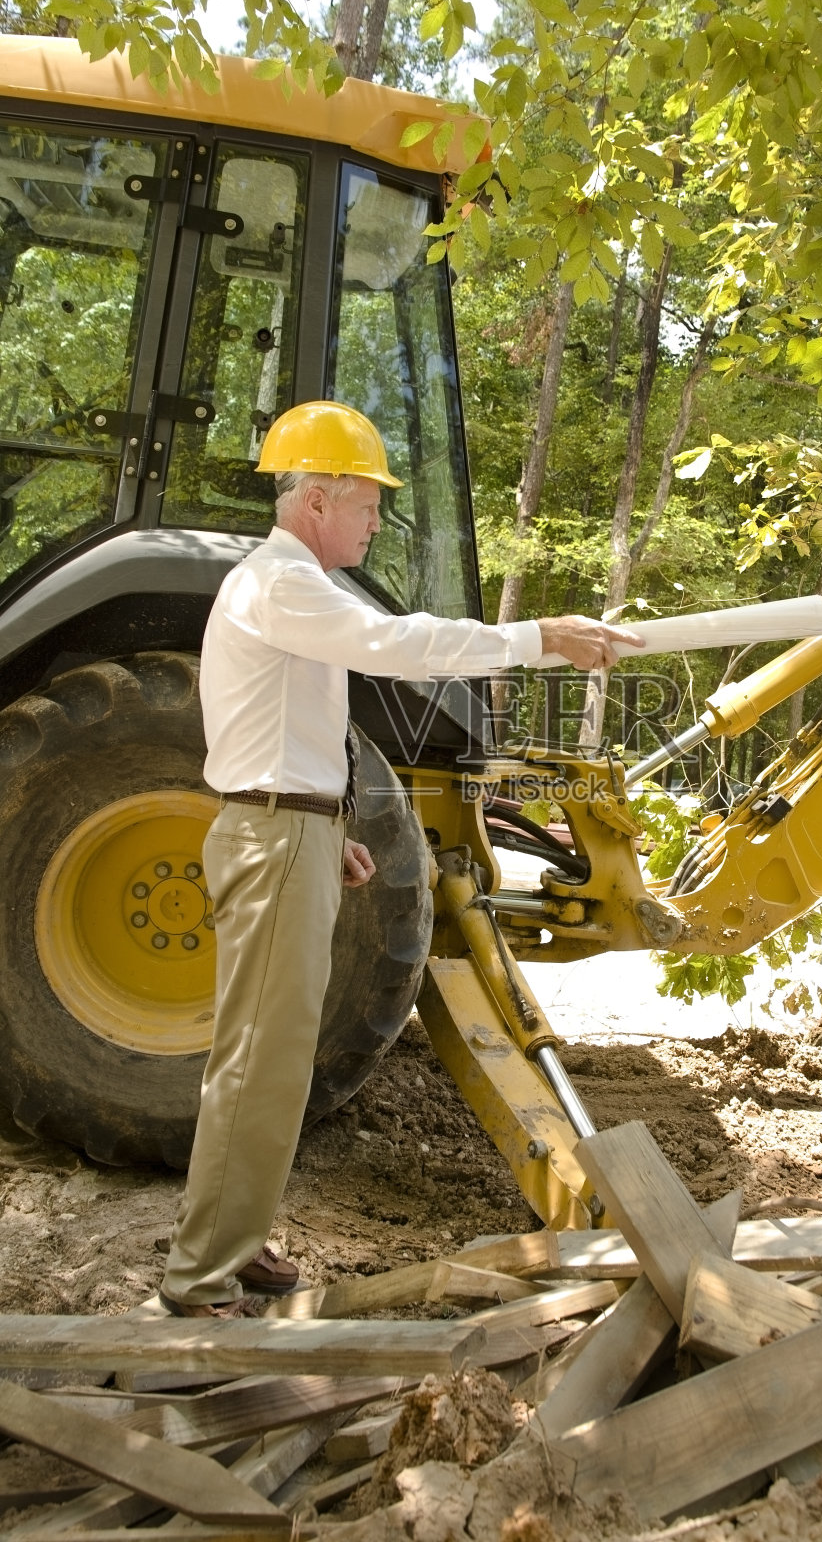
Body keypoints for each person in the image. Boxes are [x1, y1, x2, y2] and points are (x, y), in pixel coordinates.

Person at [159, 399, 642, 1317]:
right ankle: (199, 1277)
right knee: (260, 1061)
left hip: (289, 831)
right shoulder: (282, 584)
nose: (377, 517)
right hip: (271, 838)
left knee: (277, 1057)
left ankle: (233, 1237)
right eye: (367, 500)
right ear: (317, 500)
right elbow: (394, 647)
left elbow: (290, 728)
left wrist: (326, 822)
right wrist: (535, 639)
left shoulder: (292, 590)